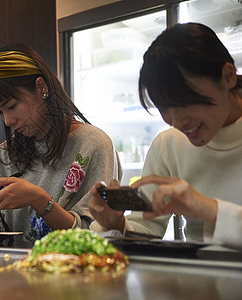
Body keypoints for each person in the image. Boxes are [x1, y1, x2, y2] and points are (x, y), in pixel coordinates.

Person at [0, 43, 122, 243]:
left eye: (12, 106)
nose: (8, 121)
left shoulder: (92, 145)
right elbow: (2, 238)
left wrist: (39, 200)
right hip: (15, 271)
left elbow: (98, 235)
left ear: (41, 87)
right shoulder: (5, 155)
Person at [88, 23, 242, 249]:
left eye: (185, 101)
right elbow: (147, 228)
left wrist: (211, 210)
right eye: (164, 108)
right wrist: (116, 225)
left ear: (228, 76)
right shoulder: (169, 144)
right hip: (202, 279)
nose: (177, 122)